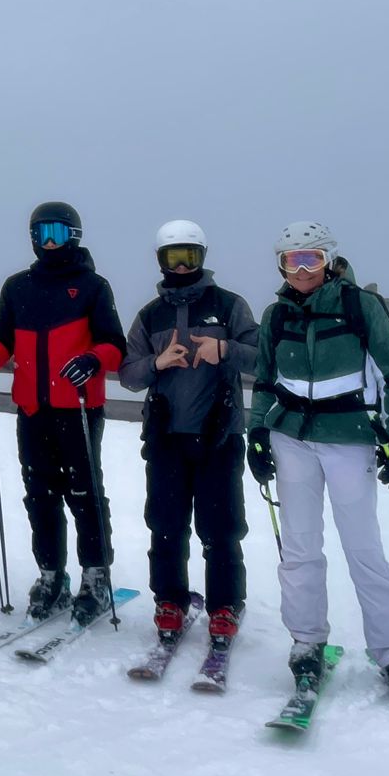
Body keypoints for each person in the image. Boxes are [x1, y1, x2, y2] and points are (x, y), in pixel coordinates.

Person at [247, 220, 389, 694]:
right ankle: (307, 642)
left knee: (363, 547)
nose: (301, 270)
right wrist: (257, 434)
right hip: (292, 439)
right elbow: (265, 381)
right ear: (281, 265)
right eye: (291, 261)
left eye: (312, 259)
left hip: (350, 436)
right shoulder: (276, 315)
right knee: (300, 549)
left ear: (329, 260)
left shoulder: (360, 306)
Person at [0, 201, 126, 624]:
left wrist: (93, 359)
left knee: (85, 493)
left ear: (74, 237)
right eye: (41, 233)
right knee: (39, 495)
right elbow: (1, 337)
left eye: (57, 234)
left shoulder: (93, 286)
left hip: (77, 407)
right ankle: (51, 575)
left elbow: (115, 344)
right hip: (32, 408)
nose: (48, 242)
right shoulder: (17, 287)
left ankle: (95, 575)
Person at [116, 219, 259, 649]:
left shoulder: (230, 306)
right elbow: (127, 374)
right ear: (161, 261)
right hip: (166, 437)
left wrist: (225, 350)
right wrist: (157, 364)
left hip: (219, 433)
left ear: (202, 257)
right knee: (166, 523)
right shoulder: (150, 314)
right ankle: (169, 600)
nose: (181, 267)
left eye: (189, 258)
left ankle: (224, 605)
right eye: (172, 258)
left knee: (221, 527)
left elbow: (262, 358)